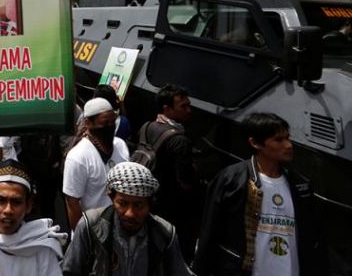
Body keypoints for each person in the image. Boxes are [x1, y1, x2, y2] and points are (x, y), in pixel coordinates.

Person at [193, 113, 324, 276]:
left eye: (288, 138)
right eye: (279, 140)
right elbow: (210, 231)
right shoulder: (232, 180)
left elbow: (313, 239)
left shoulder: (300, 186)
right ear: (255, 143)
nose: (288, 145)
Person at [62, 162, 191, 276]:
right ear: (112, 199)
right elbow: (69, 271)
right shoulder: (90, 226)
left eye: (138, 205)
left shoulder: (164, 234)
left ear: (149, 204)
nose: (130, 213)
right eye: (122, 204)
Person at [141, 84, 201, 262]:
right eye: (183, 106)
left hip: (150, 201)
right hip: (174, 211)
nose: (188, 110)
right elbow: (186, 183)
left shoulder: (147, 127)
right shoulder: (180, 141)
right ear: (166, 109)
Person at [63, 97, 130, 230]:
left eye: (112, 123)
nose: (110, 127)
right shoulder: (78, 157)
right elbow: (72, 203)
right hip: (94, 230)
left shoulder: (120, 145)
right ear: (88, 123)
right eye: (104, 124)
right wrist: (83, 237)